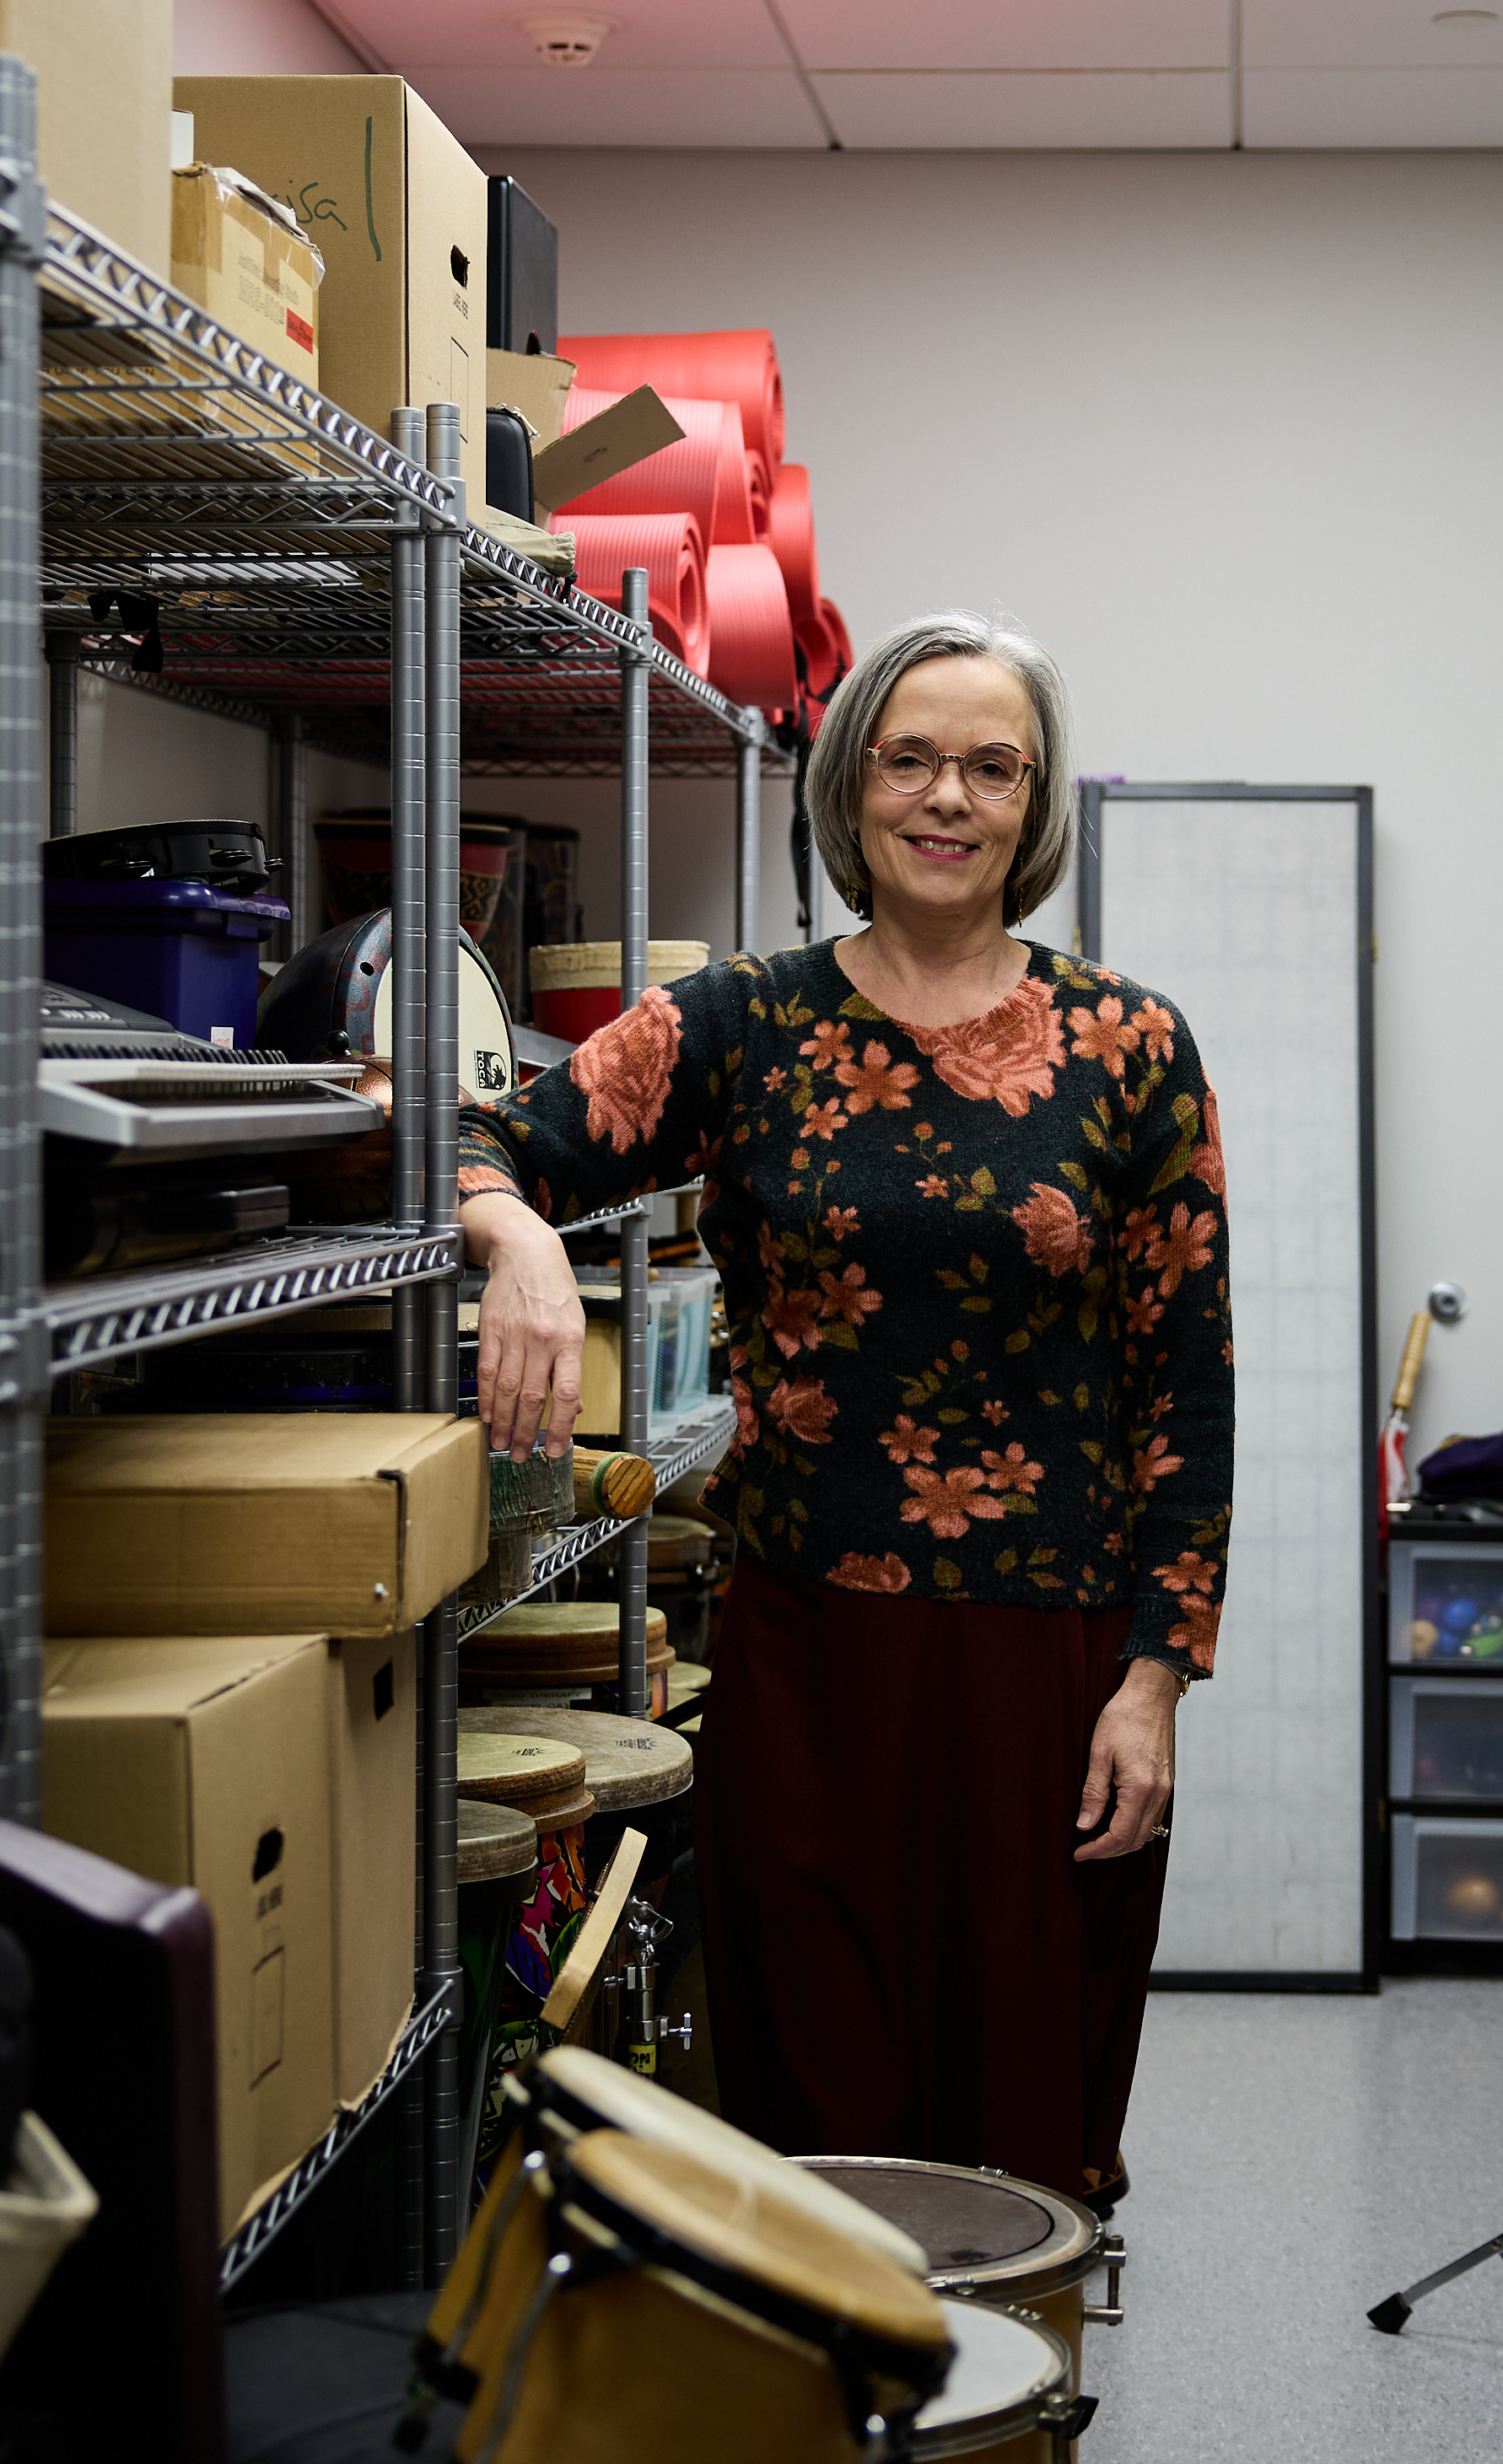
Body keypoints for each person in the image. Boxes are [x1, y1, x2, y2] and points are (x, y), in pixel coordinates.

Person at [456, 609, 1232, 2206]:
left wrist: (1156, 1676)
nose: (947, 797)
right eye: (910, 758)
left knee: (1024, 2123)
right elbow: (488, 1137)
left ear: (1035, 804)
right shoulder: (740, 1026)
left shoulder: (1132, 1047)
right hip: (809, 1658)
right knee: (818, 2123)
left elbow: (1188, 1381)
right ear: (851, 783)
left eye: (990, 767)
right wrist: (519, 1232)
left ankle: (1013, 2425)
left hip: (1054, 1667)